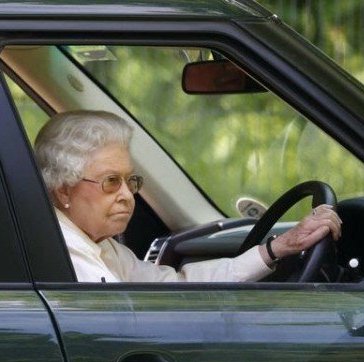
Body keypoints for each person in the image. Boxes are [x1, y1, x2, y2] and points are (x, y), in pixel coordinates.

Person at [34, 110, 342, 282]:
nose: (128, 195)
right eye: (111, 182)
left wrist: (278, 248)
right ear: (64, 190)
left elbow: (176, 287)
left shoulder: (101, 247)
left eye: (130, 180)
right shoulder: (64, 254)